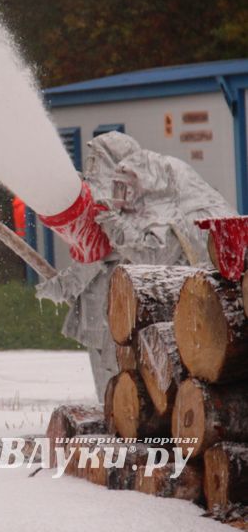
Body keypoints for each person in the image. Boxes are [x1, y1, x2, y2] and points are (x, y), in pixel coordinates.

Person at [37, 132, 235, 398]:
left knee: (143, 382)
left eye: (98, 160)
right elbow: (94, 256)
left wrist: (112, 224)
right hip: (109, 313)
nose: (94, 168)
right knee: (115, 386)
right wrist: (64, 285)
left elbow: (152, 252)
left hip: (143, 313)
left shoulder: (152, 197)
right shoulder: (115, 202)